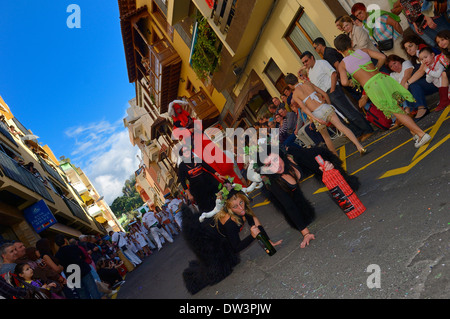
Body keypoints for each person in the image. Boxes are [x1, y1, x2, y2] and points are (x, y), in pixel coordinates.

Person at [181, 183, 282, 295]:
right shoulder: (230, 223)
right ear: (229, 208)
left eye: (241, 202)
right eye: (235, 206)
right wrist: (252, 236)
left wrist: (269, 243)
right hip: (202, 236)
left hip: (220, 235)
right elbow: (236, 247)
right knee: (218, 273)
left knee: (232, 261)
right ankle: (190, 277)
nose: (240, 208)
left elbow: (257, 226)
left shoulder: (244, 209)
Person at [334, 33, 432, 148]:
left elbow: (344, 82)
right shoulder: (363, 51)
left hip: (372, 87)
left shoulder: (342, 64)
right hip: (383, 79)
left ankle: (421, 134)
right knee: (397, 107)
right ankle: (414, 132)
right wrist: (377, 68)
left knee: (395, 111)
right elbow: (382, 57)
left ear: (338, 50)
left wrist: (353, 80)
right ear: (351, 43)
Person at [285, 73, 368, 156]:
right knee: (342, 127)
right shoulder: (308, 84)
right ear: (296, 78)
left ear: (289, 85)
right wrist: (329, 105)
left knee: (326, 138)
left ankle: (336, 158)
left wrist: (314, 118)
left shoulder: (295, 95)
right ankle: (360, 147)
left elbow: (304, 108)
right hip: (325, 107)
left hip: (316, 113)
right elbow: (324, 94)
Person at [301, 51, 374, 142]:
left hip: (333, 90)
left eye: (306, 61)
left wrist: (332, 89)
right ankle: (357, 133)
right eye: (303, 62)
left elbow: (334, 74)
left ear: (312, 57)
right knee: (341, 116)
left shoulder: (322, 63)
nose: (305, 63)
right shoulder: (310, 73)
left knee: (349, 112)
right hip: (326, 96)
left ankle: (367, 130)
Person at [178, 146, 226, 212]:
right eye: (184, 151)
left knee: (220, 199)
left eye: (188, 150)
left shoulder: (197, 159)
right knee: (208, 207)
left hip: (208, 183)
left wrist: (218, 175)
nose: (187, 152)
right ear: (182, 154)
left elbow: (208, 167)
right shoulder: (182, 166)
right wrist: (189, 194)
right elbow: (182, 181)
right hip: (198, 189)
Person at [54, 234, 102, 299]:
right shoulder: (73, 247)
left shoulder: (57, 255)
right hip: (83, 270)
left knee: (82, 293)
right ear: (65, 240)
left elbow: (62, 265)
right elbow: (83, 256)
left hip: (72, 274)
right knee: (92, 289)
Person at [418, 46, 450, 111]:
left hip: (448, 85)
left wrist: (427, 70)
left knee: (442, 75)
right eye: (422, 59)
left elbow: (438, 74)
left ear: (432, 55)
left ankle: (445, 99)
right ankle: (444, 99)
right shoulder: (429, 66)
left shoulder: (439, 61)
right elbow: (428, 81)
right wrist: (428, 72)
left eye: (425, 57)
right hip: (441, 87)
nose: (424, 60)